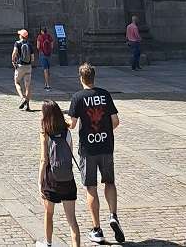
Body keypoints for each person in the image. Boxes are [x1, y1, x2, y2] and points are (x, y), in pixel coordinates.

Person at [67, 63, 125, 245]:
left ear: (81, 78)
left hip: (88, 149)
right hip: (106, 146)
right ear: (94, 77)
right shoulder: (105, 95)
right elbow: (115, 121)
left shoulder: (77, 98)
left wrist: (62, 122)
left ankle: (97, 229)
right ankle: (113, 215)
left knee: (90, 187)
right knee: (110, 182)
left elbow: (73, 124)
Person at [38, 99, 81, 247]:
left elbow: (44, 160)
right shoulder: (67, 132)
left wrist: (40, 181)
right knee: (72, 221)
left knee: (49, 214)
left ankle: (48, 243)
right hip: (68, 179)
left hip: (51, 180)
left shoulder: (45, 133)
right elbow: (70, 152)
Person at [12, 28, 34, 111]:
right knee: (28, 86)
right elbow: (32, 58)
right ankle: (27, 105)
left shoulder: (17, 43)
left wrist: (13, 61)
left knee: (17, 82)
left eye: (19, 34)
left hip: (20, 66)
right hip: (28, 67)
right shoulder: (30, 45)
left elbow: (14, 53)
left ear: (21, 36)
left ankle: (22, 98)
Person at [37, 26, 55, 90]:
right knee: (48, 69)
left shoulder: (40, 37)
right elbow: (52, 46)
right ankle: (46, 82)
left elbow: (38, 46)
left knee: (45, 69)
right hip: (49, 54)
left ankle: (47, 84)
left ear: (41, 31)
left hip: (42, 54)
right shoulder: (49, 36)